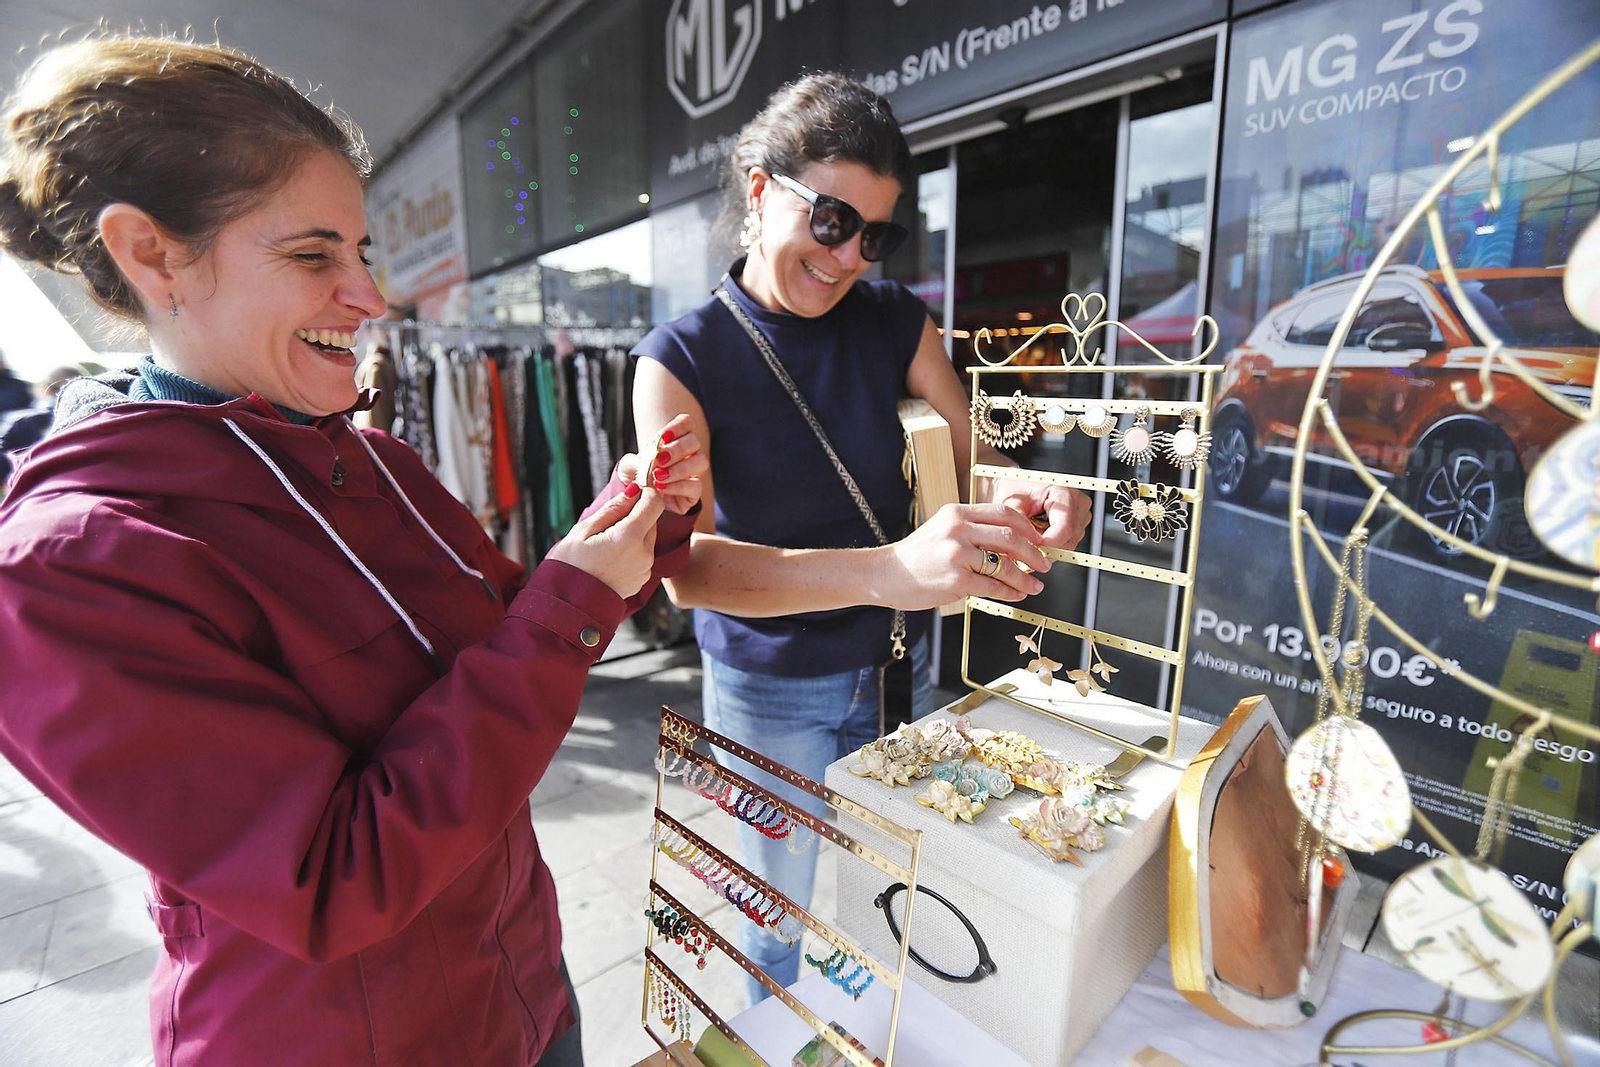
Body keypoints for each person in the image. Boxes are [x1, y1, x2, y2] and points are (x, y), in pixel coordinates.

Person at [0, 35, 707, 1066]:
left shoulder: (372, 459)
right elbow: (332, 876)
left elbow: (516, 628)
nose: (369, 297)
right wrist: (567, 603)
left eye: (363, 251)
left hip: (524, 992)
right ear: (152, 255)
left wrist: (637, 513)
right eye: (311, 254)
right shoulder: (70, 569)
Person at [632, 72, 1092, 1002]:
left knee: (906, 900)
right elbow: (687, 570)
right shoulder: (678, 358)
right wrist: (890, 569)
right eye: (833, 220)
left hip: (896, 670)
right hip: (769, 689)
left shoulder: (893, 319)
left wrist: (1036, 489)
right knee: (777, 927)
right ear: (762, 191)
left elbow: (974, 457)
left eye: (872, 236)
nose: (848, 259)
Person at [0, 363, 83, 480]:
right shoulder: (95, 418)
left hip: (31, 489)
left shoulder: (21, 420)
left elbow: (2, 463)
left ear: (47, 388)